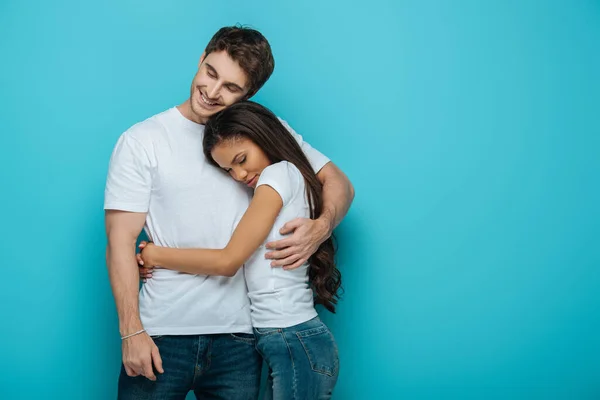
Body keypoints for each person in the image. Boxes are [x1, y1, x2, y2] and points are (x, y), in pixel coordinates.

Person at [104, 25, 354, 399]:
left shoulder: (262, 134)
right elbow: (120, 242)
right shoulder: (142, 140)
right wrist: (131, 332)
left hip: (241, 338)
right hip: (162, 333)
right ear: (201, 59)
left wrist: (321, 226)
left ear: (249, 95)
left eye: (231, 88)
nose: (212, 91)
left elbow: (338, 182)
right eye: (210, 72)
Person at [138, 101, 342, 399]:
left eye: (242, 159)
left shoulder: (277, 176)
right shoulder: (287, 178)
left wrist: (155, 255)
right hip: (287, 340)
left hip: (292, 339)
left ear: (263, 136)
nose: (239, 174)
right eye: (229, 169)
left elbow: (228, 260)